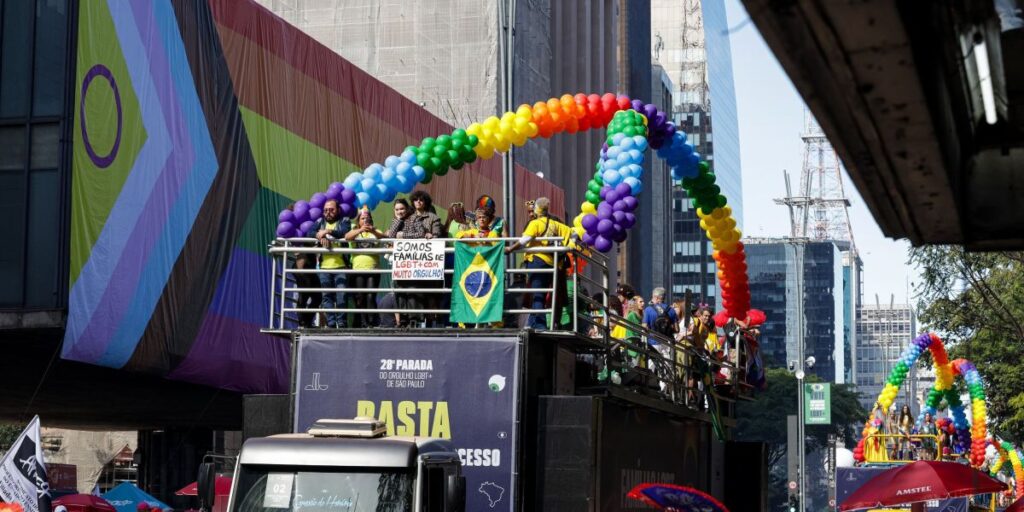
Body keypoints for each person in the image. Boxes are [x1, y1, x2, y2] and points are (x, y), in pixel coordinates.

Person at [505, 197, 572, 329]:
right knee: (541, 293)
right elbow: (572, 233)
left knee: (538, 294)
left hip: (537, 262)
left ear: (536, 210)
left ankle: (540, 325)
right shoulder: (555, 224)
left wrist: (510, 249)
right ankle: (534, 322)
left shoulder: (535, 224)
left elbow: (525, 240)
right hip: (550, 264)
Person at [400, 191, 444, 326]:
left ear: (426, 202)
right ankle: (414, 321)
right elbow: (400, 234)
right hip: (412, 263)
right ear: (412, 202)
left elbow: (438, 234)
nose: (418, 202)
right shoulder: (408, 218)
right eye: (416, 200)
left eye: (421, 200)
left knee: (431, 294)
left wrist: (432, 236)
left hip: (429, 263)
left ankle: (432, 323)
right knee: (414, 293)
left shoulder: (433, 217)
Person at [306, 199, 350, 328]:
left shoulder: (344, 220)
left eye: (331, 210)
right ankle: (331, 323)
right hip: (324, 267)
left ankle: (341, 323)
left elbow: (344, 233)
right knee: (326, 297)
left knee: (342, 296)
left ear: (338, 210)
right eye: (325, 210)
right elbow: (310, 233)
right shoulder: (320, 222)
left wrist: (328, 232)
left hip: (341, 266)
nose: (328, 212)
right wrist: (321, 237)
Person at [345, 206, 385, 328]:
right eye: (362, 219)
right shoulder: (354, 230)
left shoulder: (376, 231)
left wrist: (372, 230)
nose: (365, 221)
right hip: (358, 269)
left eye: (367, 219)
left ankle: (372, 322)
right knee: (361, 297)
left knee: (370, 296)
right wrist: (360, 229)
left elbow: (383, 237)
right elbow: (347, 237)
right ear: (358, 221)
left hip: (373, 269)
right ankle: (364, 322)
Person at [286, 202, 321, 327]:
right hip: (301, 266)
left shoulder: (309, 227)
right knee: (306, 294)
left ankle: (305, 322)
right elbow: (294, 247)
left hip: (309, 266)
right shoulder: (295, 230)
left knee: (315, 296)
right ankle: (303, 322)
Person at [386, 198, 412, 326]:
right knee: (396, 290)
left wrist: (402, 236)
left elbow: (416, 235)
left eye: (402, 209)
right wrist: (398, 221)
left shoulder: (412, 220)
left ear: (407, 209)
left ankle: (409, 318)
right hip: (396, 261)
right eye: (397, 209)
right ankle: (399, 320)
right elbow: (390, 237)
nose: (400, 211)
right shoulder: (394, 222)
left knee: (408, 290)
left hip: (409, 261)